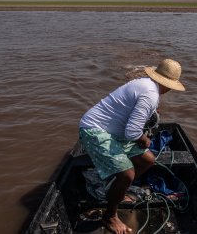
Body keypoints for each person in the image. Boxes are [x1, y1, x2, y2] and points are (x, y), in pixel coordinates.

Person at [78, 58, 185, 234]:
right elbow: (132, 132)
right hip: (94, 130)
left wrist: (151, 111)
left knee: (147, 160)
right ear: (170, 85)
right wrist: (144, 140)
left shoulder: (145, 84)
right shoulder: (150, 94)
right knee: (128, 174)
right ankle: (109, 216)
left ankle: (116, 188)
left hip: (113, 131)